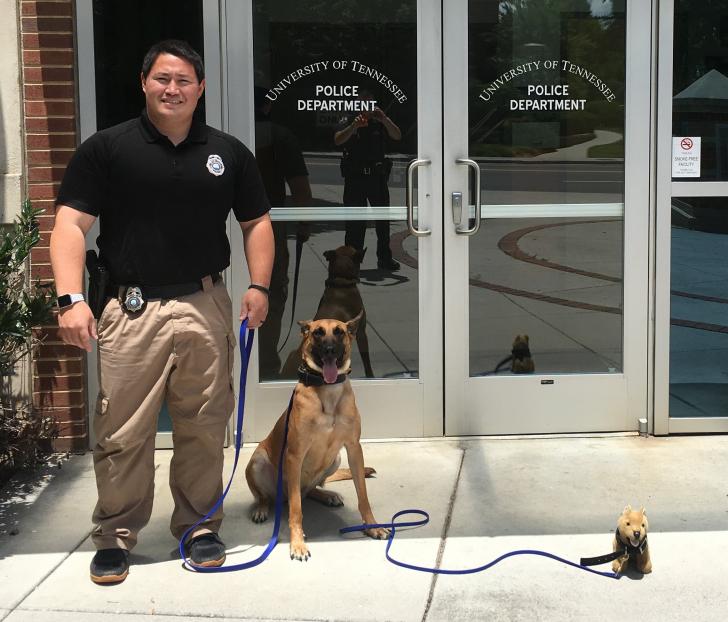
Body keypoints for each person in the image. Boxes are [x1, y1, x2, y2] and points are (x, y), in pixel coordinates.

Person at [50, 39, 273, 584]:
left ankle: (199, 528)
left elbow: (256, 223)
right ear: (144, 83)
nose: (173, 89)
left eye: (184, 81)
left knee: (203, 424)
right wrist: (70, 299)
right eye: (162, 79)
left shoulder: (228, 152)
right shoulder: (107, 149)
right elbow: (69, 226)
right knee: (122, 428)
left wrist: (260, 286)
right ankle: (115, 535)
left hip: (205, 302)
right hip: (130, 310)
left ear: (200, 88)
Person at [253, 87, 312, 379]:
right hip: (270, 224)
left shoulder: (218, 132)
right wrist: (304, 222)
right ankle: (264, 367)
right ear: (266, 107)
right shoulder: (280, 135)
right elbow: (300, 186)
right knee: (271, 293)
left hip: (225, 222)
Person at [335, 104, 402, 271]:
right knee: (354, 225)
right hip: (355, 179)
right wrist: (354, 126)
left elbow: (397, 135)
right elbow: (338, 139)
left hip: (376, 178)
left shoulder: (379, 121)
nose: (368, 108)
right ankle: (352, 261)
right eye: (364, 102)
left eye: (370, 102)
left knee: (382, 222)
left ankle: (385, 258)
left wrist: (385, 119)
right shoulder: (349, 119)